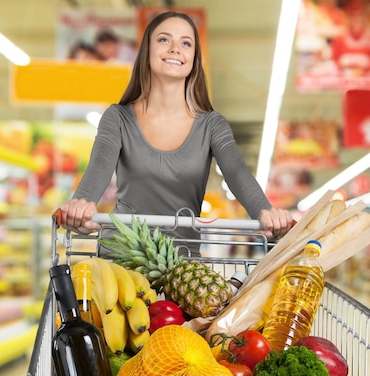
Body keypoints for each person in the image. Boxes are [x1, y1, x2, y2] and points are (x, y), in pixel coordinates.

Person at [59, 11, 294, 250]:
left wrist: (264, 210)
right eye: (164, 40)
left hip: (182, 263)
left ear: (194, 57)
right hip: (121, 257)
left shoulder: (212, 125)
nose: (175, 48)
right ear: (146, 52)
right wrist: (82, 203)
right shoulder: (118, 118)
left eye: (186, 43)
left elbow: (236, 171)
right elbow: (99, 165)